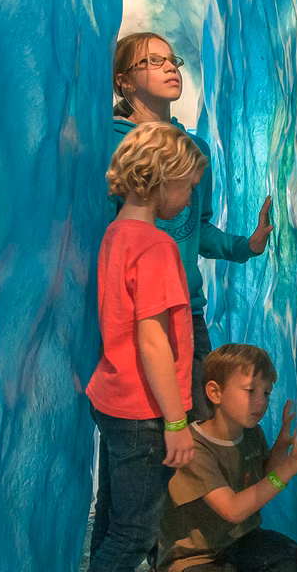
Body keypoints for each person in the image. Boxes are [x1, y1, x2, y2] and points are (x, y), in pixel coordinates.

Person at [111, 32, 274, 422]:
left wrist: (244, 246)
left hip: (186, 311)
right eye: (153, 61)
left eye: (172, 60)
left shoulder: (194, 148)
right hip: (132, 317)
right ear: (124, 81)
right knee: (141, 430)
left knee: (196, 426)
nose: (170, 66)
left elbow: (196, 228)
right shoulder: (112, 142)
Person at [86, 121, 208, 572]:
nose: (190, 200)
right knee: (135, 534)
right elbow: (153, 339)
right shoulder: (156, 246)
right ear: (163, 177)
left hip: (113, 399)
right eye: (189, 186)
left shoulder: (116, 234)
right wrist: (176, 421)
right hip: (144, 411)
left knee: (113, 520)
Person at [157, 343, 297, 572]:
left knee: (286, 555)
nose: (262, 401)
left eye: (266, 392)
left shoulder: (252, 433)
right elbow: (232, 510)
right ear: (215, 393)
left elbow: (265, 478)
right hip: (195, 558)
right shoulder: (194, 446)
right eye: (250, 390)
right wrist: (288, 470)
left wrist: (281, 447)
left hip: (239, 541)